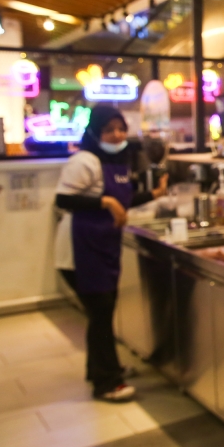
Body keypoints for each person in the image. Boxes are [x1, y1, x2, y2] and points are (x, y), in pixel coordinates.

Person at [54, 105, 167, 402]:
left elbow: (124, 199)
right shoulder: (84, 160)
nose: (116, 135)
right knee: (101, 314)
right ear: (94, 132)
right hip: (79, 252)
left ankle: (104, 369)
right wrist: (106, 203)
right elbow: (63, 199)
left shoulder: (118, 161)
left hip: (102, 248)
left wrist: (153, 195)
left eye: (120, 129)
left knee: (102, 314)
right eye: (108, 130)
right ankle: (106, 383)